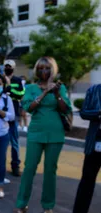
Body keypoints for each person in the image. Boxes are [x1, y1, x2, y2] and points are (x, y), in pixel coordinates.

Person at [15, 57, 72, 213]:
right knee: (29, 168)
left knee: (50, 170)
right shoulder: (31, 87)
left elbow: (66, 109)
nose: (44, 71)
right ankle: (21, 204)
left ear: (53, 69)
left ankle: (48, 206)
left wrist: (57, 94)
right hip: (36, 132)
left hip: (55, 133)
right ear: (37, 70)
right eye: (40, 68)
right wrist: (45, 92)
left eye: (47, 68)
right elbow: (29, 107)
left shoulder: (60, 87)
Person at [73, 84, 101, 213]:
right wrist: (99, 114)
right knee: (87, 183)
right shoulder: (93, 90)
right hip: (94, 143)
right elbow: (84, 112)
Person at [4, 59, 25, 176]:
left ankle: (15, 165)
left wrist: (8, 87)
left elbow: (21, 94)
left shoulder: (17, 80)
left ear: (13, 68)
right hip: (1, 114)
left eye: (9, 66)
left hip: (14, 114)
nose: (8, 68)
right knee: (1, 141)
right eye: (6, 66)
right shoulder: (0, 79)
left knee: (14, 141)